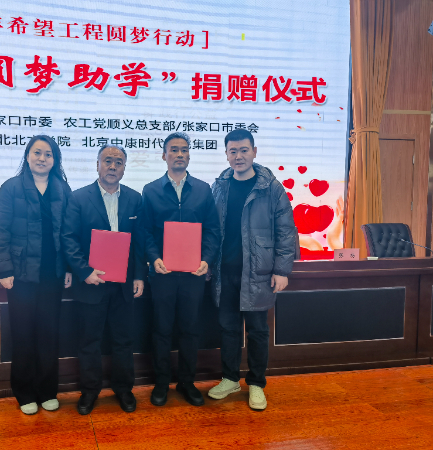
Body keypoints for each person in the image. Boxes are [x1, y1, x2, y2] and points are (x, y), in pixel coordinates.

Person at [208, 129, 296, 410]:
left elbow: (286, 231)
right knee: (228, 329)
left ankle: (256, 383)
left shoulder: (271, 188)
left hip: (258, 272)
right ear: (226, 154)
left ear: (254, 152)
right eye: (232, 151)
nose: (238, 156)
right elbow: (211, 229)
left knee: (257, 331)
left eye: (244, 150)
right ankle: (230, 379)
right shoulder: (219, 186)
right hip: (225, 272)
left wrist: (282, 270)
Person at [0, 135, 72, 415]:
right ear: (27, 156)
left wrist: (68, 268)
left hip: (52, 274)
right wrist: (4, 269)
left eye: (48, 154)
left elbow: (68, 233)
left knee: (49, 334)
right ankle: (24, 393)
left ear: (55, 160)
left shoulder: (62, 189)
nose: (42, 158)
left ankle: (47, 391)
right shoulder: (11, 188)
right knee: (23, 334)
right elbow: (0, 231)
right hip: (20, 275)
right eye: (37, 153)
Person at [62, 144, 146, 415]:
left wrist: (139, 276)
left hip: (124, 284)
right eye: (107, 161)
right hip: (91, 283)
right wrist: (84, 271)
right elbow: (69, 239)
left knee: (123, 340)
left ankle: (124, 389)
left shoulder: (135, 198)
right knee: (90, 341)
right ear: (97, 164)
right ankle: (89, 391)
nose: (113, 166)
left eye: (118, 162)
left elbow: (140, 242)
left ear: (124, 168)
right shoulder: (78, 198)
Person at [142, 132, 220, 407]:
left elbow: (212, 230)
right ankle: (162, 383)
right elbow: (145, 232)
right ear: (164, 155)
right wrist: (153, 258)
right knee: (161, 329)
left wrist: (207, 259)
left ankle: (187, 382)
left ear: (189, 155)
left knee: (190, 329)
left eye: (184, 150)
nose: (179, 154)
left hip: (193, 274)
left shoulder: (203, 189)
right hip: (162, 274)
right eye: (173, 150)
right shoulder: (151, 190)